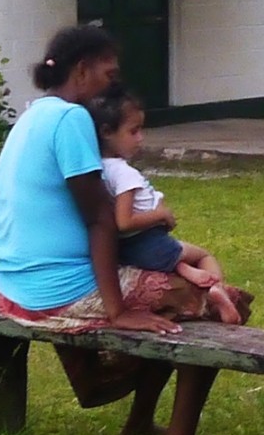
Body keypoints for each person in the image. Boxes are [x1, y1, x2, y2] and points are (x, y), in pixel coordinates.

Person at [0, 26, 234, 435]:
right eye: (108, 72)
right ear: (81, 71)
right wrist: (118, 310)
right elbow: (101, 218)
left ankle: (138, 424)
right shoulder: (72, 119)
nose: (111, 83)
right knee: (223, 305)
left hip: (12, 280)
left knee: (177, 300)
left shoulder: (32, 115)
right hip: (55, 289)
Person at [91, 86, 242, 325]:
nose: (140, 138)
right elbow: (124, 221)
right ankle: (217, 294)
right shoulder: (123, 173)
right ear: (107, 132)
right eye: (134, 131)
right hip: (148, 243)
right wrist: (161, 215)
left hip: (124, 250)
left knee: (177, 257)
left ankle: (182, 267)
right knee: (204, 255)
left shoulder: (97, 168)